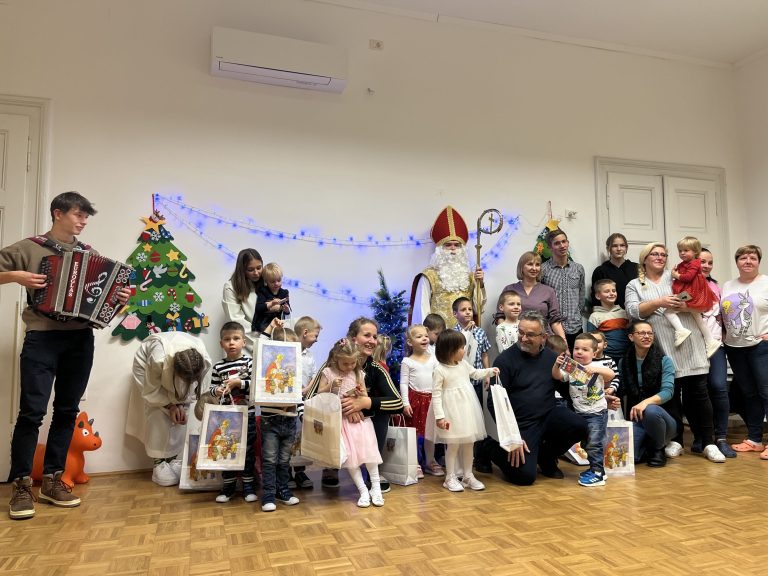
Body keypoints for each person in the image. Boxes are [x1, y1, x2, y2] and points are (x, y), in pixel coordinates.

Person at [1, 191, 131, 520]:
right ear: (57, 213)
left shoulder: (90, 255)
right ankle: (21, 485)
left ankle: (52, 481)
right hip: (41, 338)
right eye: (78, 215)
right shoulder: (29, 248)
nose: (83, 222)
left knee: (67, 411)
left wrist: (119, 298)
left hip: (80, 340)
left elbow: (103, 307)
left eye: (86, 217)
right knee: (31, 412)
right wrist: (14, 276)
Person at [624, 242, 725, 463]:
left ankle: (708, 442)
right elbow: (632, 311)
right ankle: (676, 440)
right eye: (655, 254)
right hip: (662, 345)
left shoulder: (677, 275)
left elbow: (705, 302)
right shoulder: (635, 284)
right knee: (671, 394)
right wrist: (659, 302)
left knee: (699, 393)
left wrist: (687, 307)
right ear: (644, 258)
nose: (660, 257)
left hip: (691, 342)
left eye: (663, 254)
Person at [482, 311, 588, 485]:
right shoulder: (504, 361)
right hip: (522, 425)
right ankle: (486, 446)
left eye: (530, 335)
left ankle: (546, 457)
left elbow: (573, 386)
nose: (523, 338)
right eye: (521, 333)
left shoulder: (554, 358)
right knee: (524, 477)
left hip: (548, 416)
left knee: (579, 425)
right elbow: (493, 403)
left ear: (543, 337)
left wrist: (601, 396)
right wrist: (512, 437)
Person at [305, 317, 403, 491]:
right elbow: (312, 399)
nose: (372, 341)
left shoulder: (376, 368)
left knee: (381, 414)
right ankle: (332, 464)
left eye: (375, 337)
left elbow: (398, 403)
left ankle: (373, 469)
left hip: (362, 421)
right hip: (336, 419)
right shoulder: (330, 367)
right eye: (367, 335)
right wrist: (342, 407)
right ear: (352, 338)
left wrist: (364, 403)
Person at [127, 331, 212, 486]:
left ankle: (173, 460)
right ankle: (159, 463)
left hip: (179, 364)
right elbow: (151, 391)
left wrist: (182, 405)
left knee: (181, 417)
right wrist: (170, 406)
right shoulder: (158, 359)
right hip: (146, 367)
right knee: (157, 415)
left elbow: (196, 390)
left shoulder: (204, 360)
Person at [426, 330, 499, 492]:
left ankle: (467, 475)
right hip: (450, 413)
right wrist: (440, 417)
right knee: (453, 445)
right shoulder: (440, 370)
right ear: (449, 350)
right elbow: (436, 395)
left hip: (466, 410)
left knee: (468, 443)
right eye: (461, 347)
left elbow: (475, 373)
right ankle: (450, 477)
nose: (464, 350)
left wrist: (489, 371)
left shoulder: (463, 364)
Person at [316, 339, 385, 507]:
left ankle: (376, 488)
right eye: (345, 363)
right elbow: (319, 395)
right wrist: (331, 385)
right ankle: (362, 490)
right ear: (336, 359)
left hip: (360, 421)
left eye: (353, 363)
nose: (349, 367)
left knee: (369, 453)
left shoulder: (358, 373)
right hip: (341, 422)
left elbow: (365, 396)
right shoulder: (328, 372)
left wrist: (359, 393)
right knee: (351, 459)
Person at [720, 245, 768, 459]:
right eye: (743, 258)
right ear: (737, 261)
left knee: (766, 393)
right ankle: (755, 440)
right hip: (734, 347)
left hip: (761, 347)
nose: (748, 261)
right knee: (750, 394)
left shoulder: (765, 283)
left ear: (758, 261)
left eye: (752, 258)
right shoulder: (728, 285)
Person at [410, 206, 485, 329]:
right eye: (448, 245)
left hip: (465, 334)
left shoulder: (471, 276)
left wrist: (480, 284)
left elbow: (478, 309)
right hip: (439, 334)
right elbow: (422, 309)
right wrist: (427, 334)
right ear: (440, 249)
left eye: (457, 245)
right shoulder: (429, 276)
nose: (453, 249)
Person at [554, 333, 614, 487]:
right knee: (586, 444)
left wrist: (595, 369)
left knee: (594, 443)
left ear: (594, 353)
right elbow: (557, 376)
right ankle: (596, 469)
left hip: (597, 413)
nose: (579, 352)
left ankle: (598, 473)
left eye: (585, 349)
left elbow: (611, 374)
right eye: (576, 348)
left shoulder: (599, 366)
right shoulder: (571, 367)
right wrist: (556, 365)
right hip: (579, 413)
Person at [207, 322, 257, 503]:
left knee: (248, 451)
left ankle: (248, 485)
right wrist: (218, 390)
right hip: (226, 419)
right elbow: (211, 389)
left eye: (236, 338)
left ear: (244, 342)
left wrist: (239, 383)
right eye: (227, 339)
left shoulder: (250, 363)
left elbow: (255, 386)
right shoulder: (218, 367)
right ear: (221, 344)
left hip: (247, 415)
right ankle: (228, 486)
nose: (232, 342)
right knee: (226, 449)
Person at [620, 320, 681, 467]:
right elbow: (622, 390)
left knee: (651, 410)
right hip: (637, 419)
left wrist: (645, 402)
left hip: (664, 419)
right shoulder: (624, 362)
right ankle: (647, 446)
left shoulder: (664, 360)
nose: (647, 336)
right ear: (631, 337)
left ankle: (658, 448)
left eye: (650, 333)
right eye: (641, 333)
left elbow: (668, 392)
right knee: (629, 458)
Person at [259, 326, 301, 512]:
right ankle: (268, 494)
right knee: (269, 460)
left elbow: (298, 396)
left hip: (290, 421)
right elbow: (259, 346)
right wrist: (269, 328)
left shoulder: (294, 368)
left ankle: (282, 490)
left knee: (284, 460)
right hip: (271, 420)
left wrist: (302, 414)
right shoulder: (265, 363)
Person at [699, 249, 736, 458]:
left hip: (717, 346)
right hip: (694, 347)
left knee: (719, 388)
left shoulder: (716, 286)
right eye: (702, 261)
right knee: (698, 391)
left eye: (710, 262)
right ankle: (701, 437)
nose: (706, 266)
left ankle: (721, 437)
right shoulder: (682, 284)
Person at [400, 324, 442, 478]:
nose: (424, 338)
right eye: (419, 336)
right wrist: (405, 403)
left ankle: (430, 461)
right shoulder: (407, 361)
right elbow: (403, 383)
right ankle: (414, 463)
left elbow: (439, 378)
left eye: (425, 335)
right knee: (415, 433)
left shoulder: (434, 359)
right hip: (415, 401)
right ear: (410, 342)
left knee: (430, 433)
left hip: (432, 400)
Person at [665, 236, 719, 355]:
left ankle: (681, 330)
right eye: (680, 250)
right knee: (697, 317)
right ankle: (710, 341)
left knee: (668, 311)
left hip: (690, 294)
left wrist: (675, 275)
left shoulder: (695, 263)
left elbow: (687, 277)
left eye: (686, 250)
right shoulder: (685, 264)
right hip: (691, 293)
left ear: (695, 252)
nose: (682, 253)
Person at [287, 316, 323, 490]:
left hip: (304, 401)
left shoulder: (309, 356)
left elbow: (315, 375)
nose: (316, 340)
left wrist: (307, 389)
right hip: (288, 404)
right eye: (315, 336)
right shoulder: (288, 351)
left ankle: (300, 471)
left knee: (300, 437)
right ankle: (286, 472)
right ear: (305, 332)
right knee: (288, 436)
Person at [540, 228, 586, 353]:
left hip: (575, 327)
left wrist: (576, 315)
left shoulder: (578, 268)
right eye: (557, 243)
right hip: (552, 330)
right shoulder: (543, 270)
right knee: (554, 362)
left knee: (576, 362)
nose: (562, 246)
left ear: (568, 243)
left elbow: (581, 296)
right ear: (550, 247)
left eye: (564, 241)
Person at [502, 251, 565, 339]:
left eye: (537, 265)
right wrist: (506, 336)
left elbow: (555, 321)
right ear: (521, 267)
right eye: (530, 264)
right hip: (517, 338)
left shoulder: (548, 291)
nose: (534, 268)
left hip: (543, 339)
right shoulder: (510, 289)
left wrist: (563, 342)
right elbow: (500, 316)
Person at [222, 248, 264, 354]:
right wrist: (261, 343)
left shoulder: (267, 282)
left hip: (267, 340)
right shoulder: (230, 287)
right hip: (244, 344)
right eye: (250, 270)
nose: (256, 273)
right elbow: (236, 320)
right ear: (242, 270)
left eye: (259, 268)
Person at [590, 233, 638, 308]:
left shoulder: (636, 268)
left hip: (635, 311)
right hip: (610, 313)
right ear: (608, 248)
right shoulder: (600, 271)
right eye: (614, 246)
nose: (619, 249)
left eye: (622, 245)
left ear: (626, 248)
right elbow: (596, 297)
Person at [587, 279, 630, 361]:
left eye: (614, 291)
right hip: (606, 356)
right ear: (598, 296)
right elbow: (591, 340)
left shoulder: (624, 313)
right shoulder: (595, 316)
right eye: (607, 291)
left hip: (626, 355)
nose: (611, 293)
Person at [252, 262, 291, 334]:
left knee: (286, 331)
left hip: (278, 323)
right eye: (272, 282)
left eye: (279, 280)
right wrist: (271, 303)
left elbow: (287, 309)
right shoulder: (263, 291)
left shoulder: (284, 292)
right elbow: (258, 308)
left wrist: (285, 309)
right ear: (266, 282)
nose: (276, 283)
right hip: (264, 323)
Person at [495, 289, 522, 353]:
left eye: (518, 304)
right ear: (501, 307)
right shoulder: (501, 328)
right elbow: (503, 351)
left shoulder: (524, 324)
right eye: (511, 304)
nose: (516, 307)